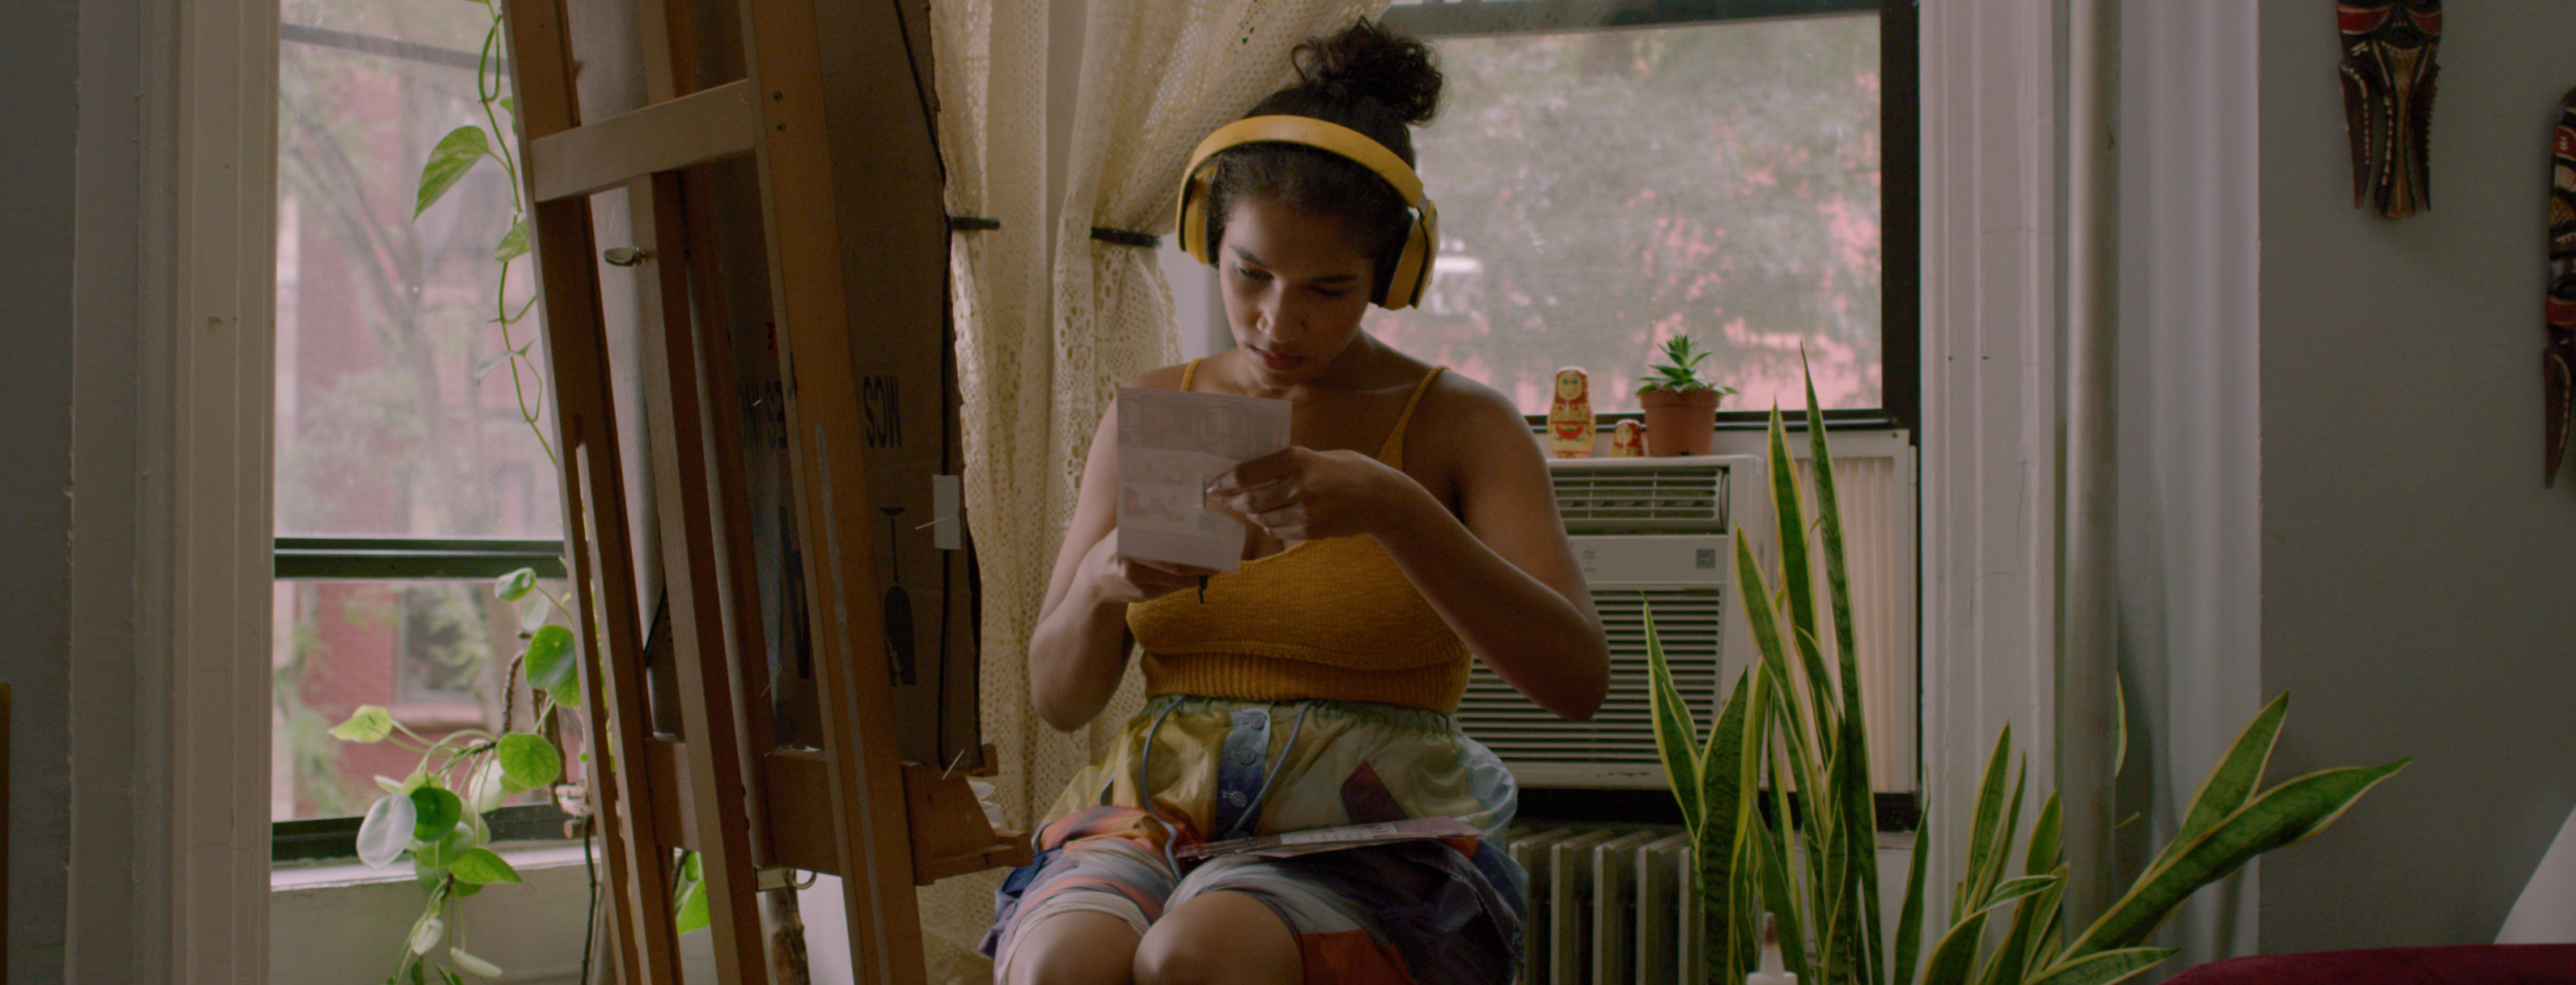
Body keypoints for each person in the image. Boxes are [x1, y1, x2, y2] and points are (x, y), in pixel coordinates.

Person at [984, 19, 1610, 985]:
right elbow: (1056, 695)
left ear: (1392, 277)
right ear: (1208, 242)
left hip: (1372, 823)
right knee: (1060, 964)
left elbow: (1577, 682)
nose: (1280, 319)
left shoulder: (1460, 424)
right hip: (1158, 806)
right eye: (1250, 274)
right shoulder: (1158, 407)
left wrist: (1397, 510)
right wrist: (1106, 581)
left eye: (1328, 286)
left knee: (1196, 953)